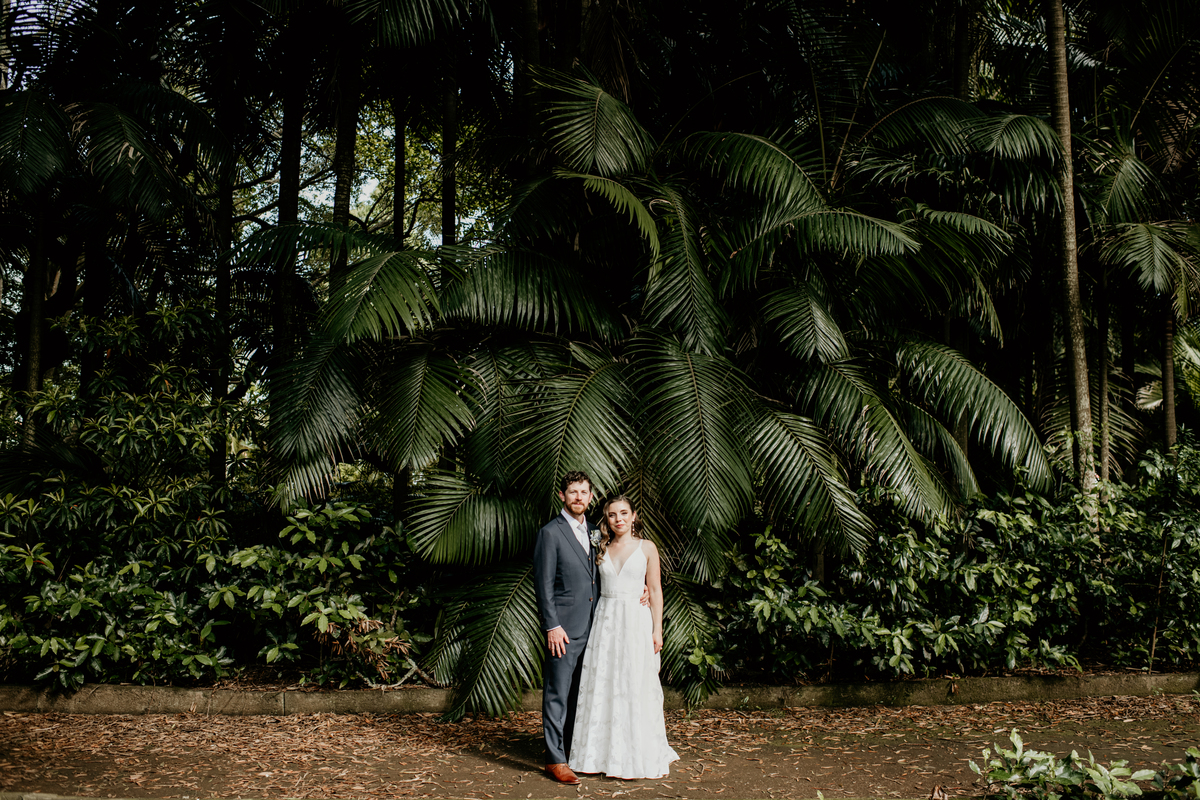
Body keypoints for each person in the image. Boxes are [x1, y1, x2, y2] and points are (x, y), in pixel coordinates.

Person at [568, 494, 679, 780]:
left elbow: (654, 590)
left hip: (635, 621)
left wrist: (657, 629)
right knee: (603, 682)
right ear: (606, 519)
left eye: (624, 513)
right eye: (612, 515)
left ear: (633, 516)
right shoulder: (599, 546)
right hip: (605, 622)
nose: (619, 519)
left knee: (635, 682)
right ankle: (598, 753)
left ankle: (636, 753)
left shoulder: (647, 548)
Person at [532, 471, 602, 786]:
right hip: (563, 629)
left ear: (590, 497)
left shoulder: (596, 532)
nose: (578, 497)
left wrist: (641, 588)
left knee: (581, 692)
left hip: (596, 627)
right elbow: (543, 585)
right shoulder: (550, 533)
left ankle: (574, 751)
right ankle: (555, 760)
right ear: (562, 496)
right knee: (557, 693)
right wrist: (552, 626)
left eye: (583, 492)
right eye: (572, 492)